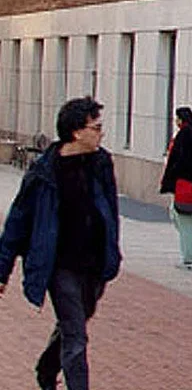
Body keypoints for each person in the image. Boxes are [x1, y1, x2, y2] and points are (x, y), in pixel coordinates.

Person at [0, 96, 121, 390]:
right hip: (60, 265)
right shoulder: (44, 171)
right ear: (77, 132)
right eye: (96, 127)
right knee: (76, 335)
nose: (101, 133)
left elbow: (110, 211)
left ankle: (46, 367)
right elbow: (19, 219)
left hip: (94, 264)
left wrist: (112, 250)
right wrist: (2, 269)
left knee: (75, 323)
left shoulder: (101, 163)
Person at [159, 106, 192, 269]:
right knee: (177, 214)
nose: (175, 122)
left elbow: (180, 159)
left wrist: (172, 177)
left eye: (177, 118)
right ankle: (190, 255)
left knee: (184, 219)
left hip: (184, 182)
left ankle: (190, 258)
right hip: (187, 181)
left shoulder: (185, 134)